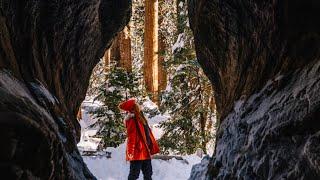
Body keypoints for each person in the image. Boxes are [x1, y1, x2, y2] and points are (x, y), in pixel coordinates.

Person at [119, 99, 160, 180]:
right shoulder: (132, 120)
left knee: (148, 174)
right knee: (134, 175)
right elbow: (131, 137)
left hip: (145, 151)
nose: (138, 105)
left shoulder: (140, 117)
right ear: (133, 108)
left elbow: (147, 133)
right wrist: (130, 151)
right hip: (137, 152)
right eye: (136, 104)